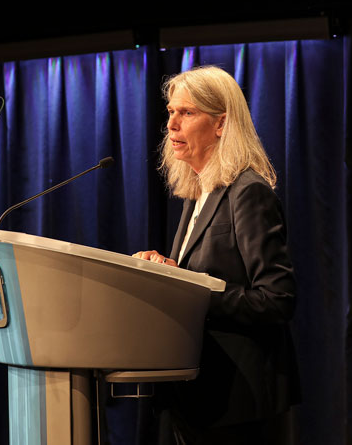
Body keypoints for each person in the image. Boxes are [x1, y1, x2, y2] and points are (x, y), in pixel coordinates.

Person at [134, 66, 300, 445]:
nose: (171, 125)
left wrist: (188, 292)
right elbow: (202, 277)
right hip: (197, 396)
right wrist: (169, 272)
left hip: (236, 402)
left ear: (222, 124)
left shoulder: (247, 191)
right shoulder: (200, 193)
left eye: (187, 113)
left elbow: (277, 299)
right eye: (171, 112)